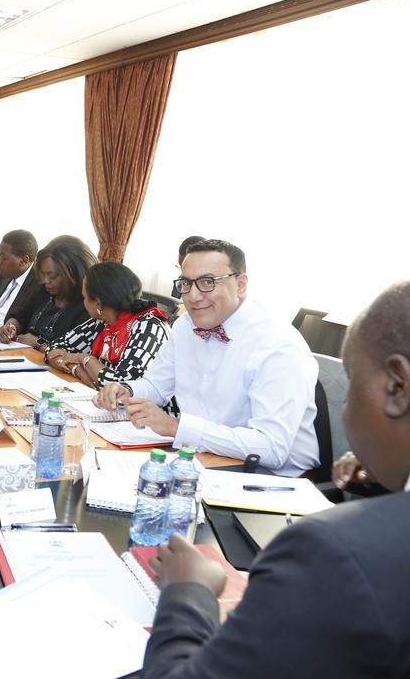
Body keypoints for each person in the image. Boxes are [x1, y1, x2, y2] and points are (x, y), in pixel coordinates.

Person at [141, 280, 410, 678]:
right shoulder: (185, 330)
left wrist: (188, 591)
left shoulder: (330, 552)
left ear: (397, 386)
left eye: (352, 386)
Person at [94, 239, 319, 476]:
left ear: (240, 284)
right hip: (200, 458)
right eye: (186, 283)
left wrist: (176, 427)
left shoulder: (278, 344)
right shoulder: (184, 326)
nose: (193, 296)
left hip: (270, 480)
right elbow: (156, 385)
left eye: (207, 282)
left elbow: (272, 447)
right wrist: (125, 390)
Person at [44, 262, 170, 388]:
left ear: (98, 303)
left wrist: (83, 358)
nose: (83, 302)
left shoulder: (149, 328)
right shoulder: (101, 320)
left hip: (148, 406)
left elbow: (124, 385)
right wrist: (77, 369)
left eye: (84, 297)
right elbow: (54, 348)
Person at [0, 234, 95, 351]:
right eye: (43, 274)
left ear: (75, 273)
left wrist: (37, 343)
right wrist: (10, 328)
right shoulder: (44, 291)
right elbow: (20, 317)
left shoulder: (88, 307)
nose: (45, 281)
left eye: (52, 275)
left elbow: (76, 355)